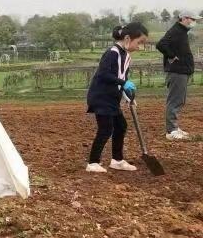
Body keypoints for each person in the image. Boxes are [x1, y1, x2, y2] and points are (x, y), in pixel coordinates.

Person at [86, 22, 149, 173]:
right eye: (139, 42)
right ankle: (93, 163)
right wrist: (124, 83)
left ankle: (117, 160)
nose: (139, 47)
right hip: (101, 97)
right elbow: (104, 74)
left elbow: (122, 77)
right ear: (127, 38)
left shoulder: (126, 56)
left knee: (121, 126)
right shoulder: (112, 53)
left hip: (112, 98)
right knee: (106, 129)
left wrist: (128, 96)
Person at [156, 10, 200, 140]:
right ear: (184, 18)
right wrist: (171, 56)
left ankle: (174, 127)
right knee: (174, 100)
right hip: (177, 71)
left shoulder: (181, 32)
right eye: (193, 19)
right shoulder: (176, 30)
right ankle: (171, 131)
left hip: (182, 71)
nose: (194, 22)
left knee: (179, 100)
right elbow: (161, 44)